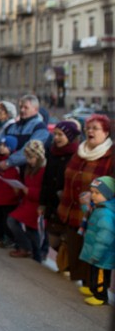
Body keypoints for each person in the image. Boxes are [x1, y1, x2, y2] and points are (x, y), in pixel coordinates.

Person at [57, 114, 113, 294]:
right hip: (72, 209)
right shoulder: (80, 151)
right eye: (88, 127)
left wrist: (96, 194)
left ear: (105, 133)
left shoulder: (110, 156)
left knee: (96, 251)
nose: (90, 131)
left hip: (97, 214)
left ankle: (96, 289)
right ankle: (86, 284)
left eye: (95, 128)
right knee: (78, 248)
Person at [39, 121, 81, 261]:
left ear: (69, 136)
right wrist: (42, 203)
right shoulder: (51, 152)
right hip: (52, 203)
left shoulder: (78, 155)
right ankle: (65, 261)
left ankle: (66, 266)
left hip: (68, 204)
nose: (56, 137)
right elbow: (45, 179)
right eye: (55, 134)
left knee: (69, 240)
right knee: (53, 240)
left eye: (60, 135)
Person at [6, 140, 47, 261]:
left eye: (31, 157)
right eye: (27, 157)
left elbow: (44, 191)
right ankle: (28, 248)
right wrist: (20, 190)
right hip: (27, 202)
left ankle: (33, 253)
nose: (29, 160)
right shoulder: (29, 168)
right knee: (15, 222)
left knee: (33, 231)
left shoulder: (44, 170)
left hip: (37, 205)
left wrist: (28, 191)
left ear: (38, 156)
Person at [78, 176, 115, 306]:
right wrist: (84, 204)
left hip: (103, 255)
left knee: (101, 276)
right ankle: (93, 289)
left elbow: (105, 238)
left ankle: (100, 296)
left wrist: (97, 254)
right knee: (94, 272)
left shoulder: (106, 213)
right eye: (92, 192)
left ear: (108, 194)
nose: (93, 195)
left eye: (97, 193)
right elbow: (90, 216)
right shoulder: (99, 207)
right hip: (97, 251)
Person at [0, 95, 50, 171]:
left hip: (27, 172)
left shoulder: (40, 128)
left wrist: (9, 162)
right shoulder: (11, 127)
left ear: (35, 109)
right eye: (20, 107)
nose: (22, 110)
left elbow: (29, 151)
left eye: (26, 107)